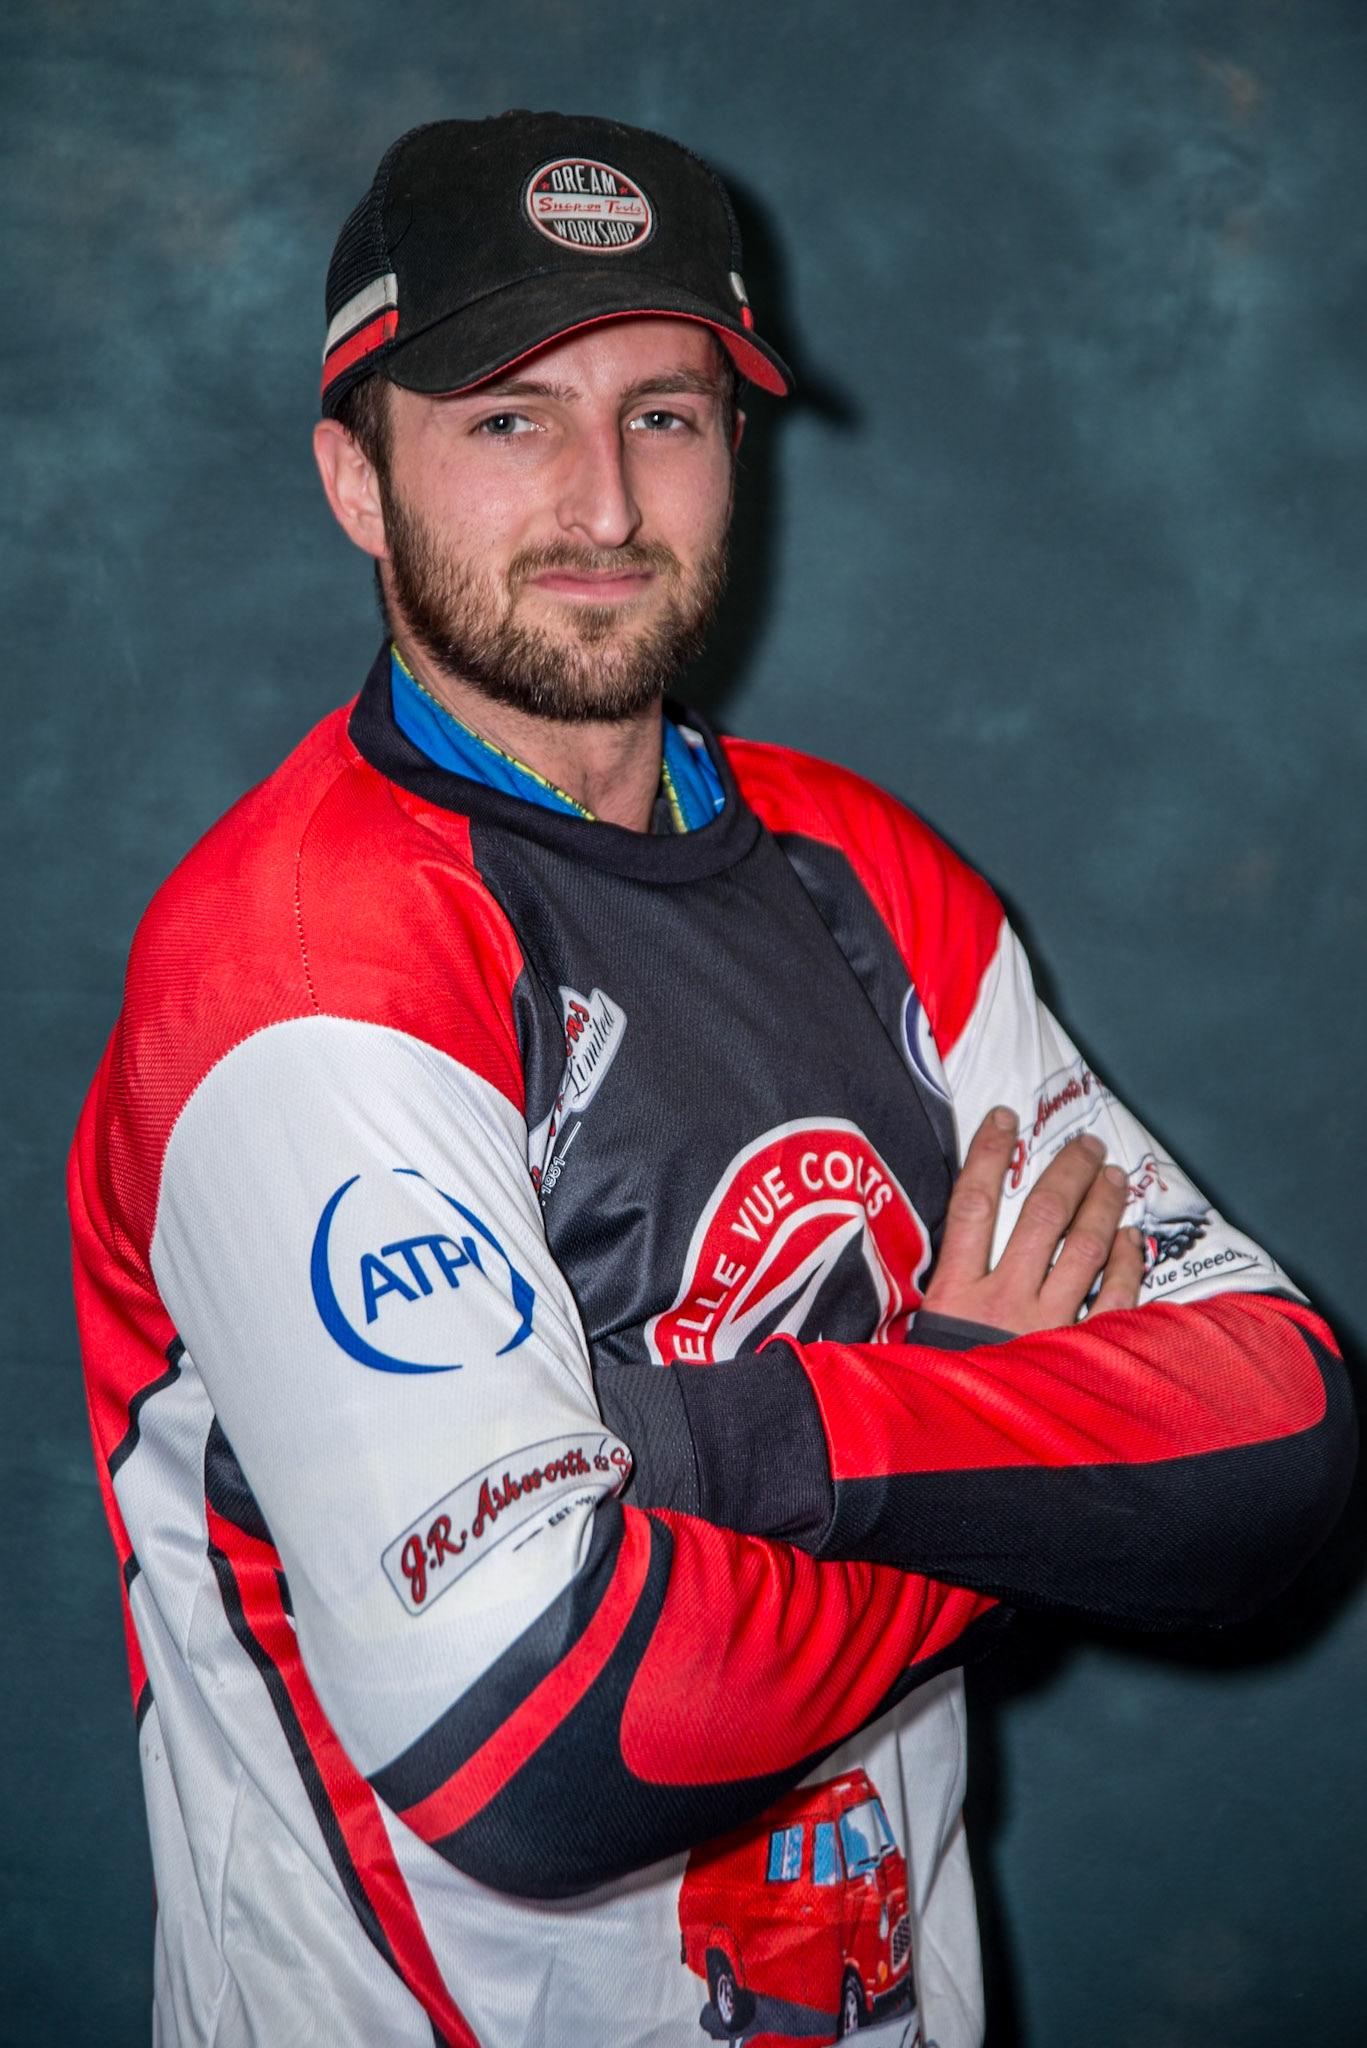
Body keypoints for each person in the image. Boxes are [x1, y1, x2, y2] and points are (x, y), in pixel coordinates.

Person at [68, 111, 1354, 2048]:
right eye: (508, 418)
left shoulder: (873, 880)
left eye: (664, 414)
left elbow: (1270, 1452)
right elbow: (544, 1740)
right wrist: (1003, 1444)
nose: (602, 499)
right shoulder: (305, 966)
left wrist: (669, 1451)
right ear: (357, 476)